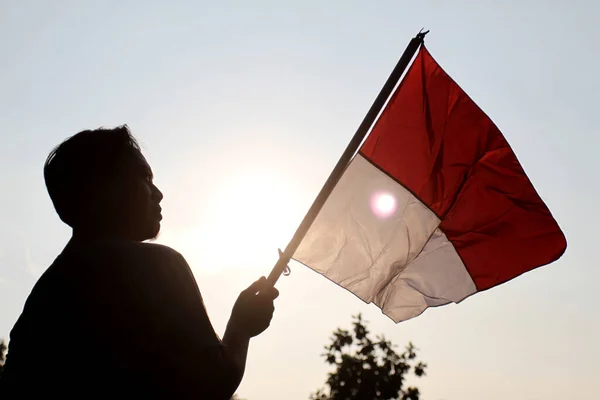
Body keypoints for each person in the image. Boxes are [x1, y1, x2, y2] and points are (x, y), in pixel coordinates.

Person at [0, 125, 278, 399]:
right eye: (145, 178)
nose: (158, 193)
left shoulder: (43, 299)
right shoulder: (158, 266)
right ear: (104, 188)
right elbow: (212, 382)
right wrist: (241, 327)